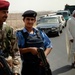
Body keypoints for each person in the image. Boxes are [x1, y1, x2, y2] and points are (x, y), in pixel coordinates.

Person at [16, 10, 53, 75]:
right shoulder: (19, 34)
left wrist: (44, 55)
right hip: (28, 68)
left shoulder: (40, 32)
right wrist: (29, 49)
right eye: (28, 19)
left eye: (32, 19)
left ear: (34, 21)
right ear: (23, 20)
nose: (30, 21)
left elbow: (49, 45)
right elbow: (16, 50)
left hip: (42, 65)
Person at [0, 0, 21, 75]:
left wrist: (16, 71)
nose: (6, 15)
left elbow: (16, 52)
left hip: (6, 68)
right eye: (3, 12)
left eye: (7, 12)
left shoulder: (9, 30)